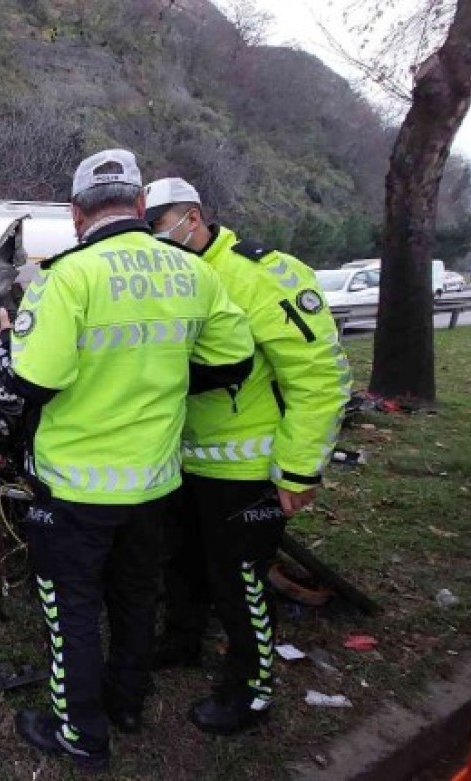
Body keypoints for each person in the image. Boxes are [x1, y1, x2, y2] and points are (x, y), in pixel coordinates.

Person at [0, 150, 255, 772]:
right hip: (155, 482)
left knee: (72, 610)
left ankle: (79, 734)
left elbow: (30, 384)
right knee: (137, 596)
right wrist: (158, 376)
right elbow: (235, 360)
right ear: (140, 206)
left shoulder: (68, 277)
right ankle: (127, 703)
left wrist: (4, 349)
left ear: (78, 216)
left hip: (76, 488)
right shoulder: (193, 271)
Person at [145, 178, 352, 734]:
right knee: (180, 563)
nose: (155, 241)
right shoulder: (160, 275)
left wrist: (301, 467)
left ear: (194, 216)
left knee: (240, 581)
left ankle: (252, 688)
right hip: (179, 461)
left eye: (161, 228)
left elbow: (320, 376)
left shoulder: (261, 274)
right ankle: (180, 643)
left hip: (245, 466)